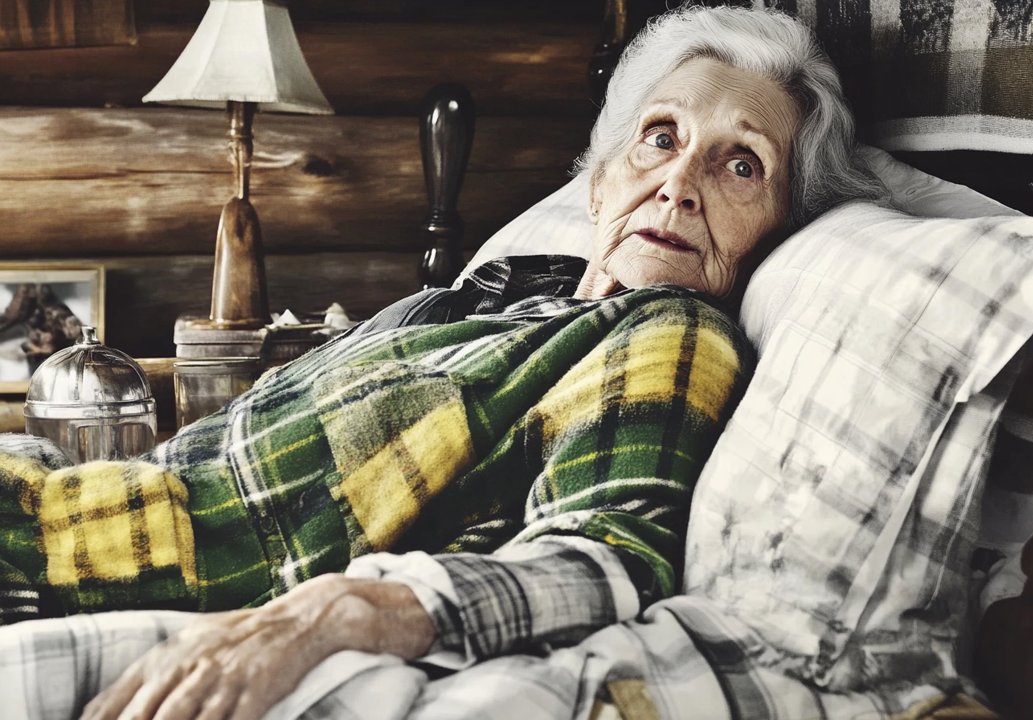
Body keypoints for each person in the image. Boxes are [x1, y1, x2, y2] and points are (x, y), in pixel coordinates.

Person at [0, 6, 882, 720]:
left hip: (89, 570)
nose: (680, 184)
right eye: (661, 137)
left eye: (741, 165)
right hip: (63, 497)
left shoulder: (666, 329)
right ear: (599, 183)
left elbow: (606, 551)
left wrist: (346, 610)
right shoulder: (503, 291)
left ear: (777, 228)